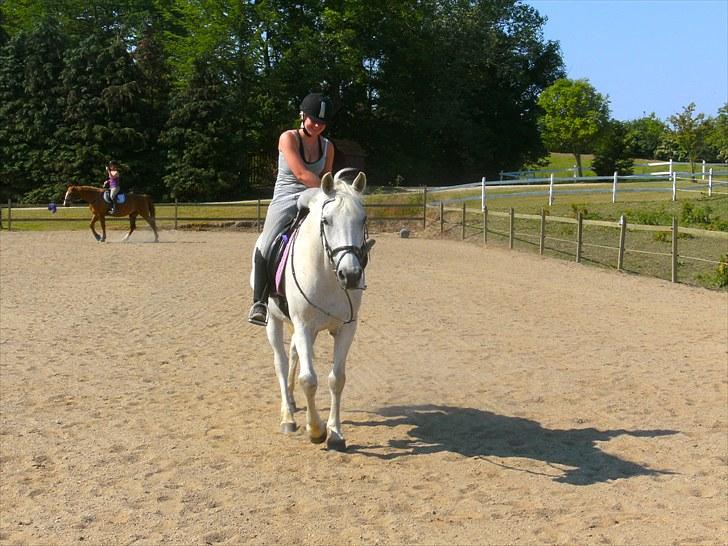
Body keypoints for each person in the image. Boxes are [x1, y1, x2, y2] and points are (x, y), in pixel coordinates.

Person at [248, 93, 335, 326]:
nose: (317, 125)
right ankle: (259, 302)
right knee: (266, 243)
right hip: (286, 196)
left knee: (335, 228)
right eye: (313, 119)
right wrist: (330, 190)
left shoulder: (328, 146)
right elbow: (301, 173)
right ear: (303, 116)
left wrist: (332, 195)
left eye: (322, 122)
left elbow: (325, 176)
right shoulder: (288, 138)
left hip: (313, 195)